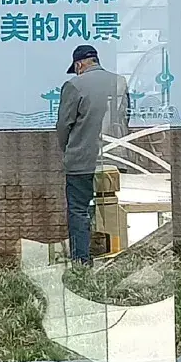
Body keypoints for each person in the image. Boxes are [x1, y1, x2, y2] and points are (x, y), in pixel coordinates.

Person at [56, 44, 129, 267]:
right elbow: (125, 117)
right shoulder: (119, 82)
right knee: (109, 206)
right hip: (114, 158)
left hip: (82, 160)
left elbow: (63, 126)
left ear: (79, 65)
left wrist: (68, 150)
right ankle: (115, 257)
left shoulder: (73, 85)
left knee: (79, 210)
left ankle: (82, 261)